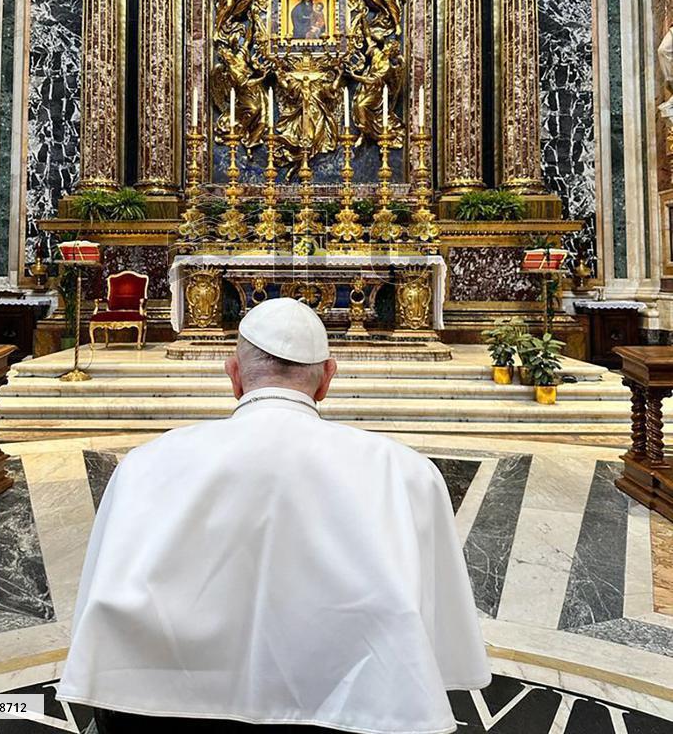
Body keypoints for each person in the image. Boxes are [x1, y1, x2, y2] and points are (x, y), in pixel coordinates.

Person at [58, 298, 490, 734]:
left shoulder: (145, 464)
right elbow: (432, 635)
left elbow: (102, 605)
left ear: (234, 376)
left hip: (162, 713)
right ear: (327, 380)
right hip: (357, 711)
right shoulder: (407, 474)